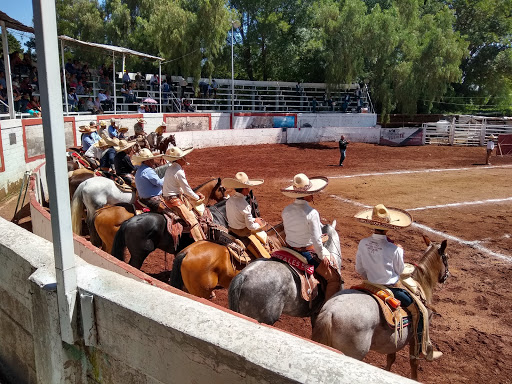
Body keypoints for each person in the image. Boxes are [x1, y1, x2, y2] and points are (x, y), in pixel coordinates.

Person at [354, 204, 442, 361]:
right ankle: (422, 350)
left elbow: (359, 268)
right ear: (388, 227)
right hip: (391, 288)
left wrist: (371, 276)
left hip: (367, 284)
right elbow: (399, 271)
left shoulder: (362, 243)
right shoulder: (395, 249)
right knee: (422, 311)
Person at [281, 173, 343, 302]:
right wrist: (321, 256)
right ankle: (326, 308)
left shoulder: (286, 210)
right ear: (307, 194)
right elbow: (316, 240)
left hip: (289, 250)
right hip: (306, 253)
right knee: (334, 279)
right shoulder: (312, 213)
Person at [162, 146, 206, 242]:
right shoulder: (179, 171)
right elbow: (186, 190)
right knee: (193, 221)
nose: (185, 159)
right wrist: (197, 197)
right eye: (183, 157)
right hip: (174, 200)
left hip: (168, 197)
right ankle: (200, 242)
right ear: (179, 159)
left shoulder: (170, 168)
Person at [223, 172, 270, 259]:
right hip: (243, 235)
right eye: (248, 187)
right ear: (244, 188)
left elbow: (239, 216)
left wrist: (253, 219)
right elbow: (250, 227)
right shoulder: (245, 205)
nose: (249, 189)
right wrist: (259, 224)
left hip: (231, 231)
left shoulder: (229, 200)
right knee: (264, 256)